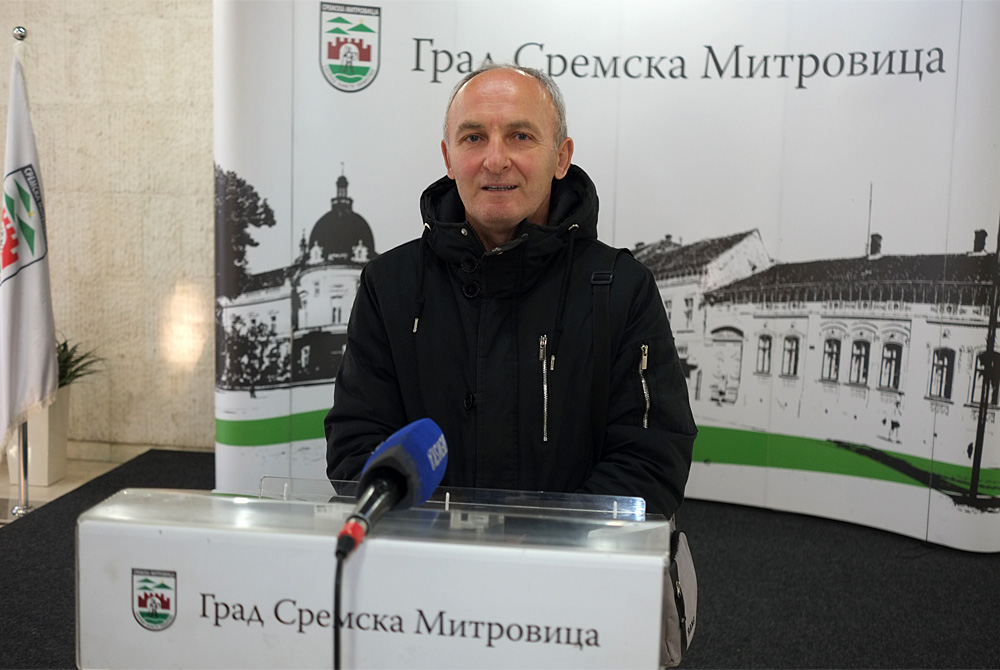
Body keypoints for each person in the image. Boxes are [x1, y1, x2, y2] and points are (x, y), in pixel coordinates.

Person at [325, 62, 697, 517]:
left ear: (561, 157)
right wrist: (441, 540)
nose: (495, 159)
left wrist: (542, 542)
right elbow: (356, 446)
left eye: (520, 136)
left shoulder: (621, 288)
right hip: (423, 556)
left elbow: (651, 461)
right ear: (448, 158)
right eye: (473, 137)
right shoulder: (389, 286)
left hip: (569, 561)